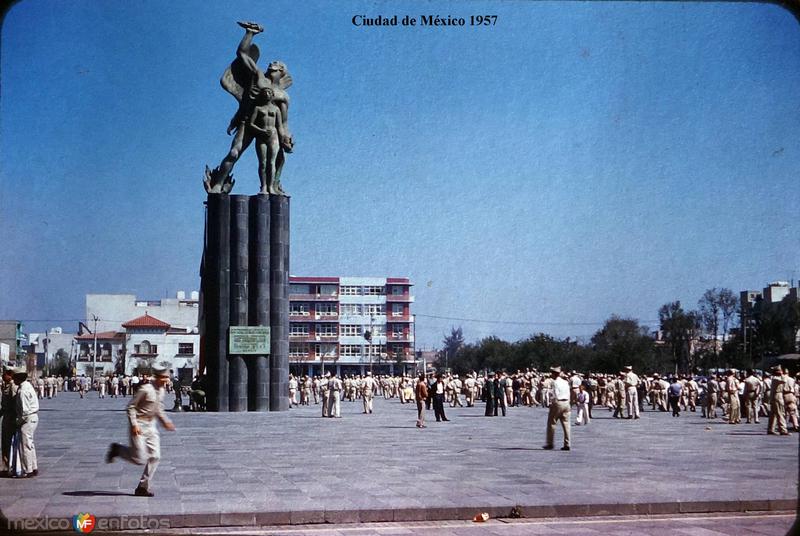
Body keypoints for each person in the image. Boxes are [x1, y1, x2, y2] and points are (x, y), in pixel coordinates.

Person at [207, 21, 294, 195]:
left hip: (270, 130)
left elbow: (283, 123)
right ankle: (218, 184)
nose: (271, 62)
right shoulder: (258, 76)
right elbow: (242, 54)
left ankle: (272, 187)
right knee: (233, 153)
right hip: (249, 123)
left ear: (281, 70)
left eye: (276, 63)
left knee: (271, 161)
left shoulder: (283, 96)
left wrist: (287, 139)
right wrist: (250, 34)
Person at [106, 368, 176, 496]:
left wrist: (165, 421)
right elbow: (131, 407)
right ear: (157, 377)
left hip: (151, 425)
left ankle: (142, 487)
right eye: (164, 378)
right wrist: (134, 424)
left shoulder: (161, 391)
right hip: (139, 425)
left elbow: (158, 409)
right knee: (139, 459)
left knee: (156, 456)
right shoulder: (146, 389)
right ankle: (118, 449)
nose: (166, 381)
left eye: (167, 378)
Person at [14, 367, 39, 477]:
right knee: (30, 443)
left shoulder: (23, 391)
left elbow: (24, 410)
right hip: (33, 417)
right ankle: (33, 466)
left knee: (25, 445)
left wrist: (18, 422)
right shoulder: (28, 386)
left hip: (27, 418)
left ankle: (28, 469)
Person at [543, 366, 571, 451]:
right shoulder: (565, 382)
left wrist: (551, 403)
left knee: (552, 423)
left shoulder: (554, 382)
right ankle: (567, 443)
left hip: (558, 402)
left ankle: (550, 443)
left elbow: (554, 393)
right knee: (566, 424)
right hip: (566, 402)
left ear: (554, 374)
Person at [1, 367, 19, 475]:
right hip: (6, 417)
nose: (3, 376)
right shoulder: (6, 385)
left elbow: (14, 403)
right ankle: (6, 465)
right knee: (5, 443)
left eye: (5, 374)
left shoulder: (13, 386)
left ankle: (8, 467)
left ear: (10, 375)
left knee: (8, 443)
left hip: (10, 418)